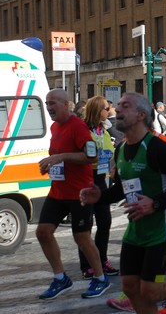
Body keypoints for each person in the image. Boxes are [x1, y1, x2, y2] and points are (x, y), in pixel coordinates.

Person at [79, 92, 166, 314]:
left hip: (161, 231)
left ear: (141, 115)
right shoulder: (122, 149)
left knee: (151, 291)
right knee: (130, 287)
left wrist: (154, 204)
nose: (117, 109)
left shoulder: (158, 148)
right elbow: (123, 188)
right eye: (118, 105)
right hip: (136, 230)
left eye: (125, 106)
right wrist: (101, 197)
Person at [36, 88, 110, 300]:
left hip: (79, 192)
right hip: (58, 191)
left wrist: (61, 158)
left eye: (53, 103)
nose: (49, 107)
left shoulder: (77, 126)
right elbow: (58, 156)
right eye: (47, 103)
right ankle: (61, 278)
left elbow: (91, 156)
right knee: (42, 232)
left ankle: (100, 278)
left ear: (66, 104)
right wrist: (50, 164)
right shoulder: (54, 127)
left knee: (82, 238)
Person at [78, 96, 119, 279]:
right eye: (105, 108)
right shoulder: (84, 129)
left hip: (101, 179)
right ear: (97, 110)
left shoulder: (103, 129)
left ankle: (102, 259)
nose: (108, 111)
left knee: (105, 221)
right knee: (85, 225)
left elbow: (110, 149)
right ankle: (87, 265)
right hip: (86, 179)